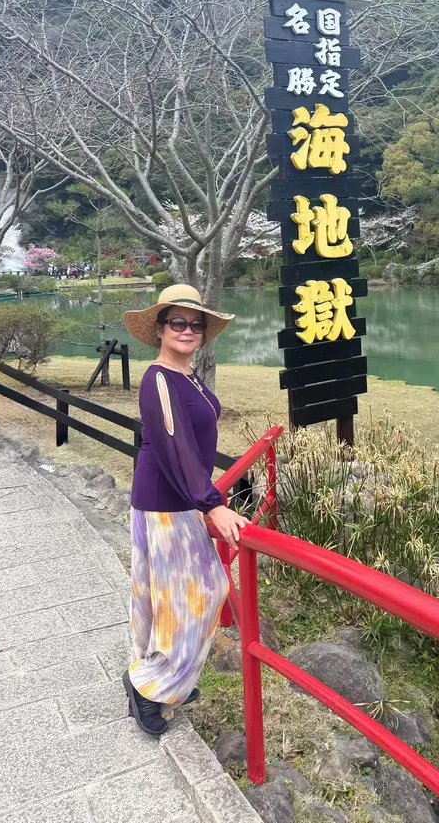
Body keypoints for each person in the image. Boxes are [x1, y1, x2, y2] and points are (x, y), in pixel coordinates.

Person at [122, 284, 248, 736]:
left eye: (196, 324)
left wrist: (200, 499)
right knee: (201, 593)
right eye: (177, 321)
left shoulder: (187, 375)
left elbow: (190, 443)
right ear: (159, 329)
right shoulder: (159, 378)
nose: (188, 329)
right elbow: (175, 446)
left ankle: (152, 675)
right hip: (165, 502)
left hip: (174, 499)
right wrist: (212, 504)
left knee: (162, 595)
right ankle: (152, 687)